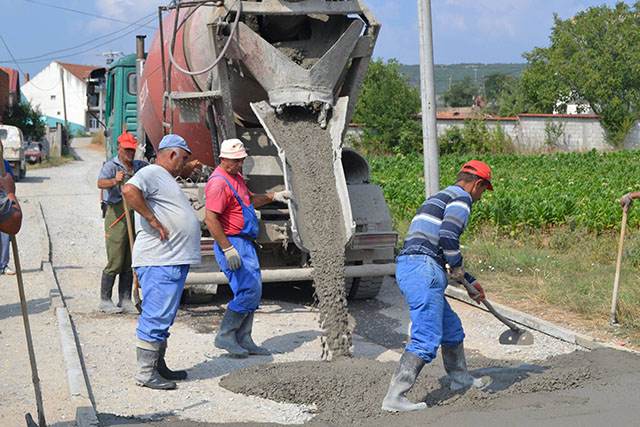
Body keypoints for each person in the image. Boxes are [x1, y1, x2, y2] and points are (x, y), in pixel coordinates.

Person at [382, 160, 493, 413]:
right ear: (477, 184)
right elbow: (449, 236)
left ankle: (459, 378)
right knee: (426, 337)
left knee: (451, 328)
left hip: (415, 266)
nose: (480, 198)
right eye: (483, 191)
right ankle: (395, 396)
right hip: (423, 270)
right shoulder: (462, 199)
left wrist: (468, 280)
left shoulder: (440, 197)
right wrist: (457, 265)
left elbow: (436, 246)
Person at [122, 134, 201, 390]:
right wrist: (152, 219)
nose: (185, 163)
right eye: (184, 158)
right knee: (156, 316)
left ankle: (158, 366)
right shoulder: (154, 172)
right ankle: (146, 373)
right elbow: (128, 190)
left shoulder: (163, 177)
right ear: (172, 154)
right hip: (160, 261)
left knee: (164, 316)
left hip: (170, 260)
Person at [204, 138, 291, 357]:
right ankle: (225, 336)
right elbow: (211, 219)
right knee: (247, 290)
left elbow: (249, 199)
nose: (241, 164)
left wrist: (274, 196)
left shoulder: (236, 177)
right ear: (224, 159)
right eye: (236, 161)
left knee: (254, 290)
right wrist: (227, 249)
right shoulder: (218, 183)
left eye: (242, 160)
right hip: (233, 243)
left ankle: (244, 338)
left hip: (244, 243)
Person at [97, 132, 148, 314]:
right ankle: (105, 300)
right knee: (116, 258)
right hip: (116, 215)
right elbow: (100, 183)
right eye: (127, 149)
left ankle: (125, 299)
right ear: (119, 149)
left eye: (132, 149)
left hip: (133, 215)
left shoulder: (139, 166)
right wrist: (114, 181)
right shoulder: (112, 166)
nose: (130, 153)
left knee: (129, 258)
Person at [0, 159, 16, 275]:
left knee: (5, 234)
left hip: (2, 201)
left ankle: (3, 265)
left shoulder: (3, 163)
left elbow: (10, 179)